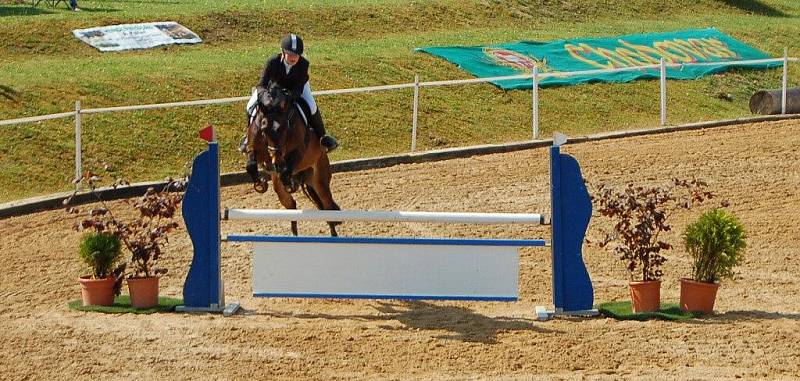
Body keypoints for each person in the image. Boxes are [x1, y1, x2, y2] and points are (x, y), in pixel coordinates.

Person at [245, 34, 338, 152]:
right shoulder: (272, 62)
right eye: (290, 54)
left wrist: (288, 97)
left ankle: (323, 137)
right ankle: (248, 137)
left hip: (296, 87)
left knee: (312, 107)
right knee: (249, 106)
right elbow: (261, 85)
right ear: (283, 52)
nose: (293, 58)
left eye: (297, 55)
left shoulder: (304, 64)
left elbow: (299, 87)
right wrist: (266, 99)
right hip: (271, 89)